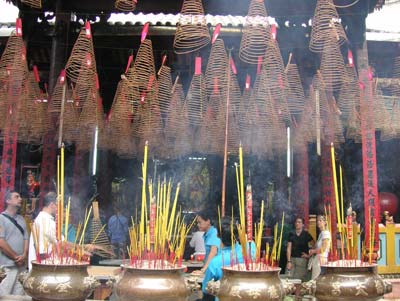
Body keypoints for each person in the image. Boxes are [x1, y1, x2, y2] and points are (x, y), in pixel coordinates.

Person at [0, 191, 29, 296]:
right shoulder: (1, 218)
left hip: (21, 267)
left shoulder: (21, 219)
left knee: (20, 295)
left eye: (20, 196)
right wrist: (16, 257)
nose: (20, 199)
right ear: (8, 201)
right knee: (4, 295)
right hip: (7, 267)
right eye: (17, 197)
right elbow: (1, 242)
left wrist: (24, 255)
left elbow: (26, 238)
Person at [28, 191, 58, 270]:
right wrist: (81, 247)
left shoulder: (45, 220)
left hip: (44, 270)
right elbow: (43, 252)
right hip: (43, 271)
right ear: (52, 205)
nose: (59, 209)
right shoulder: (44, 221)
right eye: (58, 206)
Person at [286, 217, 314, 282]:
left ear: (303, 224)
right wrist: (289, 261)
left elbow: (314, 246)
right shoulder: (291, 233)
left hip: (302, 260)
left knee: (298, 280)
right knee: (288, 278)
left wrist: (308, 256)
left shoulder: (306, 234)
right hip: (292, 259)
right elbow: (289, 248)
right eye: (296, 222)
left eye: (299, 222)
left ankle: (297, 292)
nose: (297, 223)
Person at [192, 210, 220, 275]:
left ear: (208, 221)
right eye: (197, 223)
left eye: (200, 222)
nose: (198, 225)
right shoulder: (207, 233)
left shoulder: (214, 233)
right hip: (209, 268)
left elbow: (213, 252)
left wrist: (203, 270)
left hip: (214, 269)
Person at [308, 215, 331, 280]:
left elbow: (323, 249)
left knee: (317, 280)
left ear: (325, 222)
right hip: (317, 259)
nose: (318, 222)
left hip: (321, 260)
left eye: (320, 220)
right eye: (317, 221)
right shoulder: (321, 233)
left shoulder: (325, 233)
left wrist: (313, 251)